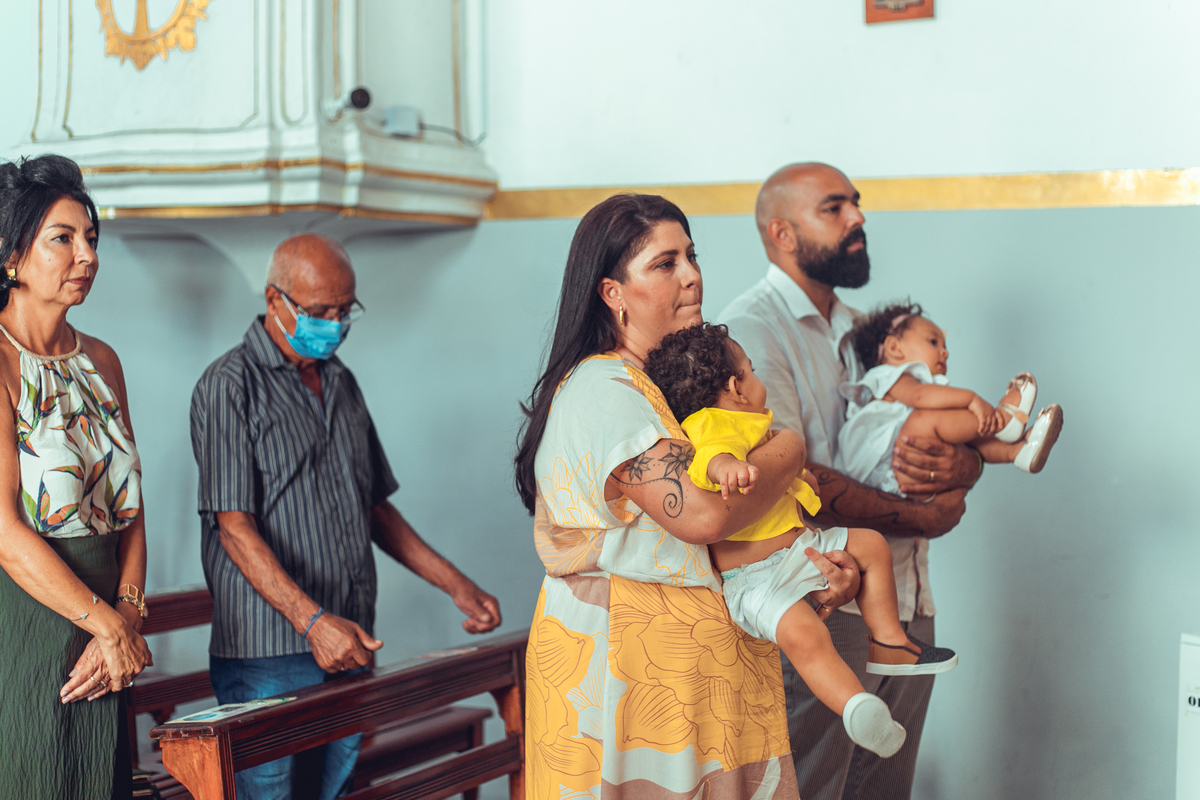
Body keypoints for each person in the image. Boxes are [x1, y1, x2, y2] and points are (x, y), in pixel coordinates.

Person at [514, 193, 863, 799]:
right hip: (627, 679)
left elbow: (729, 538)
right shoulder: (606, 388)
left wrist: (807, 577)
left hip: (694, 674)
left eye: (692, 256)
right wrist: (790, 447)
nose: (692, 274)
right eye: (664, 263)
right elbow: (701, 517)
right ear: (611, 293)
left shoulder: (666, 392)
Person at [190, 233, 502, 800]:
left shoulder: (340, 381)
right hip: (270, 651)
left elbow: (376, 508)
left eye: (343, 311)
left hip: (352, 637)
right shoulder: (227, 386)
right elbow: (233, 527)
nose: (333, 324)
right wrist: (312, 622)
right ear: (273, 299)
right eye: (318, 312)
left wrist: (455, 585)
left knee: (334, 793)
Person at [718, 163, 980, 800]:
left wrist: (962, 468)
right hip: (820, 599)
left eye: (855, 204)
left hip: (906, 592)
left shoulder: (867, 331)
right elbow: (791, 475)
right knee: (815, 787)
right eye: (834, 208)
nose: (858, 218)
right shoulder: (749, 333)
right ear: (781, 232)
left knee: (885, 787)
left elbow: (936, 428)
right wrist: (922, 515)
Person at [643, 321, 958, 760]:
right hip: (757, 581)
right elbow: (711, 455)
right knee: (805, 637)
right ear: (736, 386)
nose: (758, 380)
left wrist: (796, 476)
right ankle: (856, 705)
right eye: (753, 372)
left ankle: (888, 641)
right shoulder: (714, 422)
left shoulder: (753, 424)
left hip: (800, 550)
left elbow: (775, 475)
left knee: (871, 546)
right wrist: (725, 470)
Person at [0, 154, 153, 800]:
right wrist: (106, 624)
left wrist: (128, 614)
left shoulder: (103, 361)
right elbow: (3, 531)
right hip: (31, 622)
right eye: (62, 239)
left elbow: (132, 510)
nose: (86, 255)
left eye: (91, 239)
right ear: (11, 257)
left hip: (108, 634)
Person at [836, 301, 1064, 492]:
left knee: (959, 432)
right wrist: (971, 399)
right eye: (933, 342)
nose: (945, 352)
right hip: (885, 471)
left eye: (944, 345)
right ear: (894, 348)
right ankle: (1003, 420)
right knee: (926, 418)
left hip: (908, 472)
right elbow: (919, 396)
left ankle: (1017, 451)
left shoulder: (916, 386)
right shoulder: (888, 376)